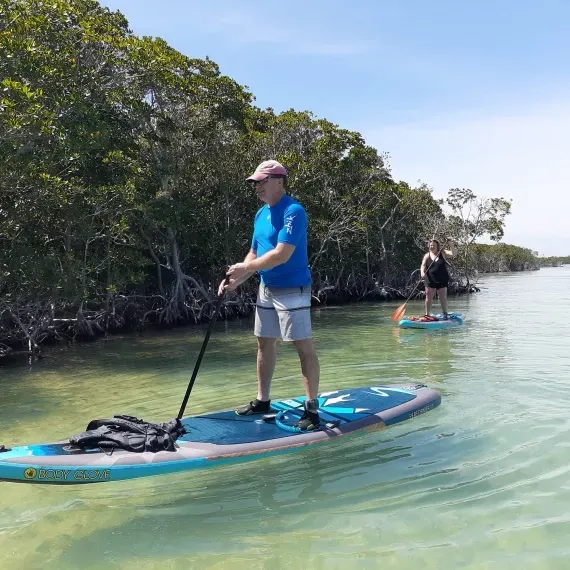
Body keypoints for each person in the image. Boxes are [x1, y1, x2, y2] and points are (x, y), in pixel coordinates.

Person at [218, 160, 321, 431]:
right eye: (255, 183)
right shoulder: (260, 214)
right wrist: (236, 278)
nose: (257, 188)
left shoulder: (294, 211)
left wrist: (246, 268)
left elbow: (281, 254)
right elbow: (254, 253)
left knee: (302, 346)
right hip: (266, 288)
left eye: (262, 182)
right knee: (264, 343)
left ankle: (311, 409)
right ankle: (263, 401)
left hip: (293, 288)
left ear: (279, 181)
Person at [420, 239, 456, 319]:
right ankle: (427, 314)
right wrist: (422, 272)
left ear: (437, 246)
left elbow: (453, 254)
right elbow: (423, 265)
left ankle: (445, 313)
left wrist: (451, 244)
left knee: (443, 297)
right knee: (428, 297)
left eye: (433, 245)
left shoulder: (442, 253)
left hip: (442, 278)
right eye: (430, 245)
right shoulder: (427, 255)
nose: (432, 246)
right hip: (430, 279)